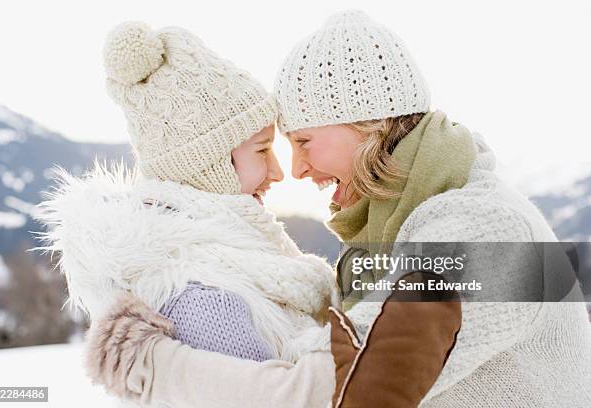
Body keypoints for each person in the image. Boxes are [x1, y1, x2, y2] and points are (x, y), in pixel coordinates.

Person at [84, 11, 591, 408]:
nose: (298, 169)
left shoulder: (484, 233)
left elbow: (335, 392)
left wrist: (153, 363)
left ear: (366, 124)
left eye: (303, 141)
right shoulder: (407, 225)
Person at [35, 21, 340, 408]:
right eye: (263, 150)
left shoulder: (240, 265)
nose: (279, 172)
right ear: (210, 164)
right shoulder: (205, 301)